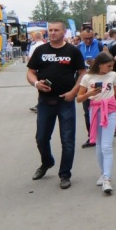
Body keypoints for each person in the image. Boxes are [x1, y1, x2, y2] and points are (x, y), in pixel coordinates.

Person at [26, 21, 85, 189]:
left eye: (56, 30)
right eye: (50, 30)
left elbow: (82, 73)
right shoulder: (40, 50)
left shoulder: (73, 51)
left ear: (64, 32)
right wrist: (36, 83)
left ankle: (65, 174)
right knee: (41, 138)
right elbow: (30, 72)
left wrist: (74, 92)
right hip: (45, 102)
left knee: (67, 140)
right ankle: (47, 162)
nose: (52, 33)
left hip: (65, 101)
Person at [76, 52, 116, 195]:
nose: (111, 68)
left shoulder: (113, 75)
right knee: (99, 145)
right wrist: (89, 94)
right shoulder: (87, 77)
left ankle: (107, 179)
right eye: (109, 66)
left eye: (112, 66)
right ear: (100, 65)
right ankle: (103, 173)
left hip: (110, 111)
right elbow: (79, 99)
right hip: (95, 111)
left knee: (106, 146)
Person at [77, 24, 106, 146]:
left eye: (90, 38)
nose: (88, 41)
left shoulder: (100, 45)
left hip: (99, 82)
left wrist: (97, 63)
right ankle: (91, 136)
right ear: (81, 37)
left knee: (102, 109)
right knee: (87, 111)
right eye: (85, 38)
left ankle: (104, 134)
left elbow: (109, 62)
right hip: (85, 84)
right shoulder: (78, 47)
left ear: (94, 35)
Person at [26, 30, 45, 112]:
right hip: (45, 68)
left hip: (36, 69)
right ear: (42, 37)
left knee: (39, 86)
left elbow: (30, 58)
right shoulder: (45, 45)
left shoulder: (34, 46)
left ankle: (40, 105)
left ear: (34, 37)